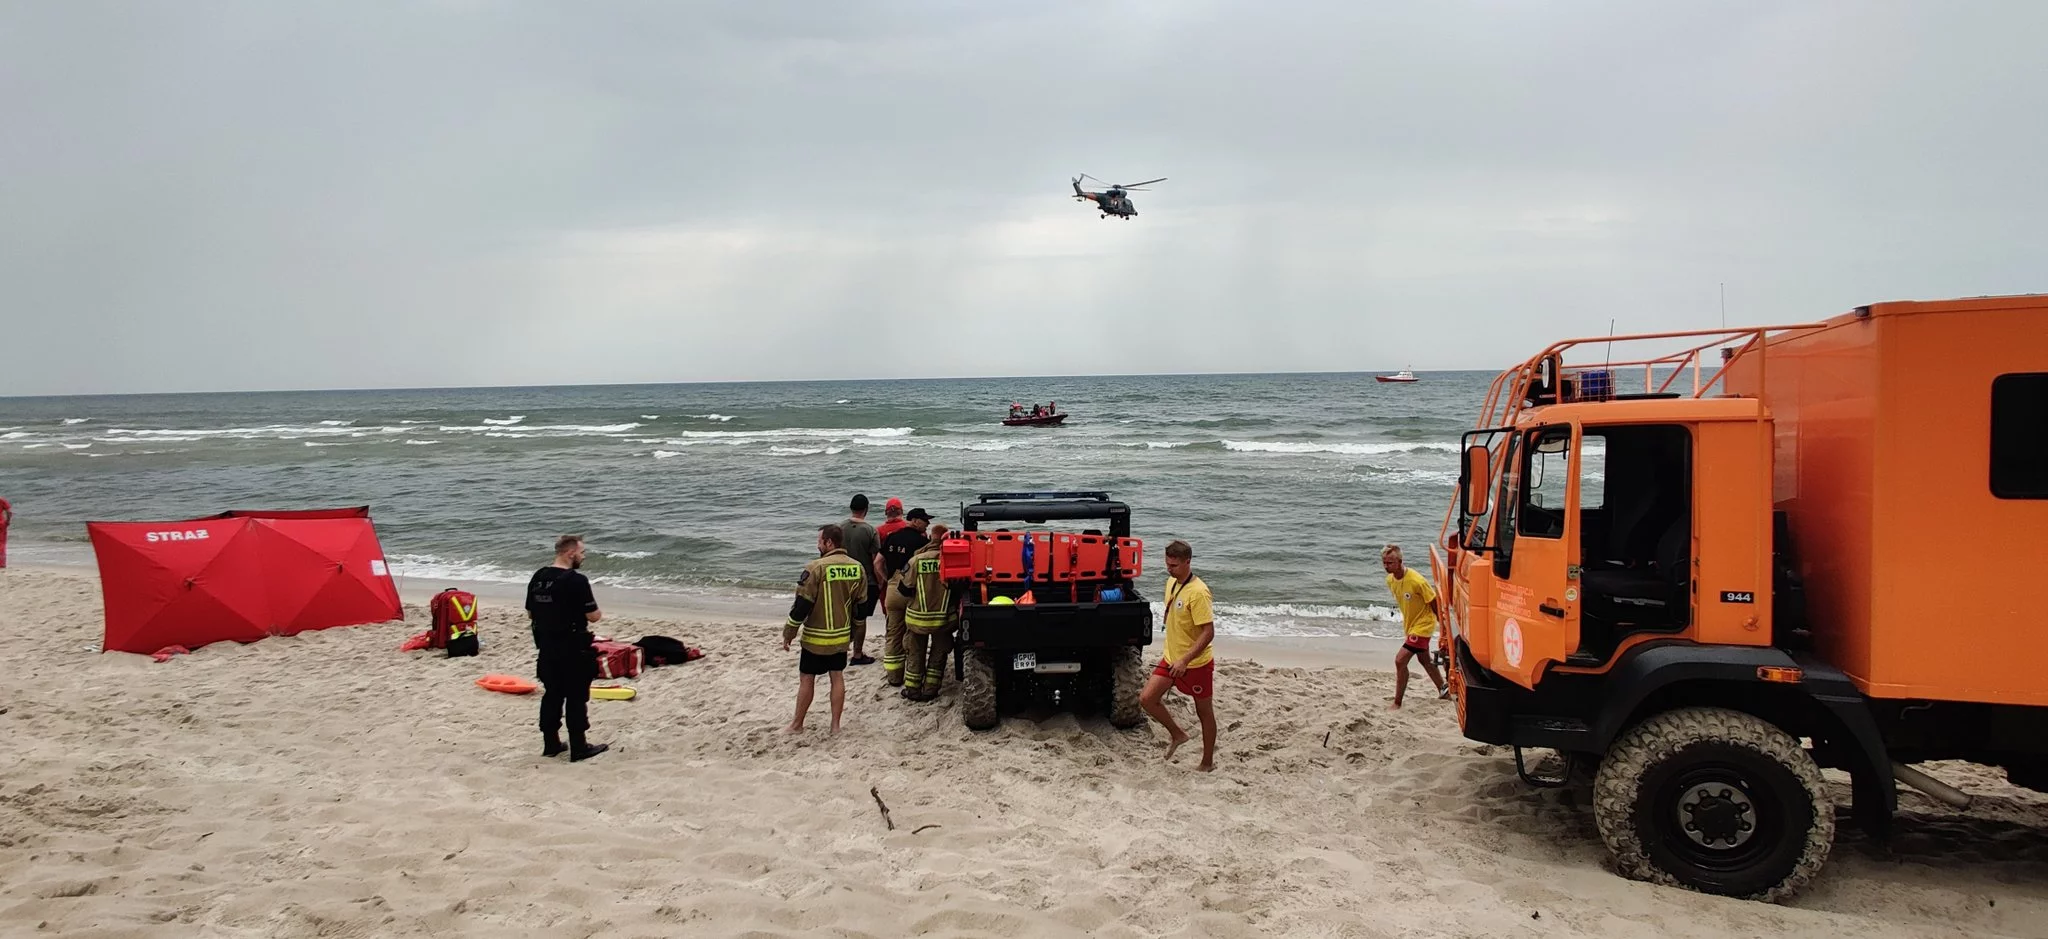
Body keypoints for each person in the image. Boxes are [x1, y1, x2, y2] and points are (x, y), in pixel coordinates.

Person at [525, 534, 608, 761]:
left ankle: (550, 743)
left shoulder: (539, 577)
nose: (583, 556)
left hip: (547, 646)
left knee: (552, 694)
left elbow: (531, 612)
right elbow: (594, 616)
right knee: (576, 696)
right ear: (570, 553)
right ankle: (579, 747)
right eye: (582, 552)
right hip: (572, 646)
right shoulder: (576, 580)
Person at [784, 523, 869, 734]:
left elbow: (802, 605)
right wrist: (856, 634)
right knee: (837, 677)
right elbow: (861, 607)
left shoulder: (816, 568)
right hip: (841, 637)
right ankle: (835, 726)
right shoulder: (857, 568)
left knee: (807, 678)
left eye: (819, 541)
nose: (818, 545)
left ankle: (797, 725)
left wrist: (789, 632)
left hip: (815, 638)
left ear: (829, 542)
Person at [1140, 539, 1217, 771]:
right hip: (1172, 658)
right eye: (1167, 564)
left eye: (1174, 565)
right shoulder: (1171, 583)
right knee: (1146, 699)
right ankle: (1178, 734)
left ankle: (1207, 763)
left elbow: (1208, 632)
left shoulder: (1199, 592)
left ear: (1187, 562)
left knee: (1204, 712)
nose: (1169, 569)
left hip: (1196, 663)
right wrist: (1176, 657)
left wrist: (1186, 659)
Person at [1383, 544, 1449, 709]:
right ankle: (1444, 690)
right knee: (1424, 659)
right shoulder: (1390, 580)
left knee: (1400, 660)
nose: (1386, 566)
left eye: (1390, 563)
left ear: (1400, 561)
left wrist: (1444, 627)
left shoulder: (1417, 581)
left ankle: (1397, 702)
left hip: (1424, 625)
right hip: (1411, 626)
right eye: (1384, 562)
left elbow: (1434, 602)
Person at [899, 522, 956, 701]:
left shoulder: (915, 560)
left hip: (917, 619)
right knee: (938, 654)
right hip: (944, 619)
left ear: (931, 537)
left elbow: (904, 589)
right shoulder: (952, 561)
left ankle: (912, 690)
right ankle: (931, 688)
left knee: (915, 653)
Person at [877, 507, 933, 687]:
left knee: (893, 633)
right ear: (915, 520)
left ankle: (894, 677)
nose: (928, 524)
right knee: (916, 634)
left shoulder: (892, 537)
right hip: (912, 591)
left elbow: (878, 562)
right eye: (925, 520)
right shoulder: (921, 541)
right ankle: (915, 675)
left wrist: (888, 580)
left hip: (893, 589)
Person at [841, 494, 882, 666]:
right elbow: (875, 559)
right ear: (866, 509)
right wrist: (880, 581)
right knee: (860, 618)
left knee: (843, 616)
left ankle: (841, 649)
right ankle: (857, 654)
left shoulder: (840, 527)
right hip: (865, 580)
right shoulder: (870, 530)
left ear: (851, 508)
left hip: (841, 577)